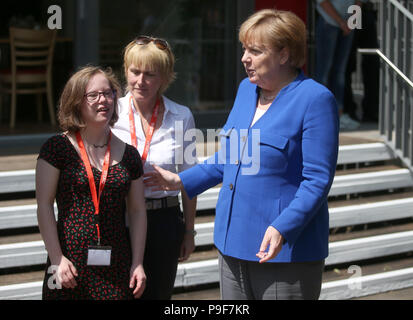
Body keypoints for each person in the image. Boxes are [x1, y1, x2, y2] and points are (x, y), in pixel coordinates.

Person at [144, 9, 339, 300]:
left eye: (255, 51)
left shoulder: (315, 99)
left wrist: (283, 227)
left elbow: (317, 180)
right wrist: (180, 181)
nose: (244, 58)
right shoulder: (246, 91)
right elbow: (231, 157)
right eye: (244, 49)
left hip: (285, 251)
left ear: (284, 54)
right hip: (232, 243)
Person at [36, 66, 147, 300]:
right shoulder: (56, 149)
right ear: (76, 101)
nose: (103, 100)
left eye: (108, 93)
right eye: (93, 95)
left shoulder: (130, 155)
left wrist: (137, 263)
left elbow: (137, 211)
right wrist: (56, 259)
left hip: (117, 265)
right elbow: (44, 206)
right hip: (68, 266)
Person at [111, 36, 197, 300]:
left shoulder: (182, 116)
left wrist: (189, 231)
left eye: (150, 74)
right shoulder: (111, 113)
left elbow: (189, 180)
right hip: (117, 219)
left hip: (164, 220)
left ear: (165, 77)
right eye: (135, 72)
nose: (140, 81)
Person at [314, 0, 364, 130]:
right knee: (323, 72)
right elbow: (322, 2)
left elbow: (359, 2)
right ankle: (319, 116)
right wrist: (343, 23)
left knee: (340, 72)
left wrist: (352, 22)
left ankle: (339, 115)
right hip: (329, 22)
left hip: (348, 25)